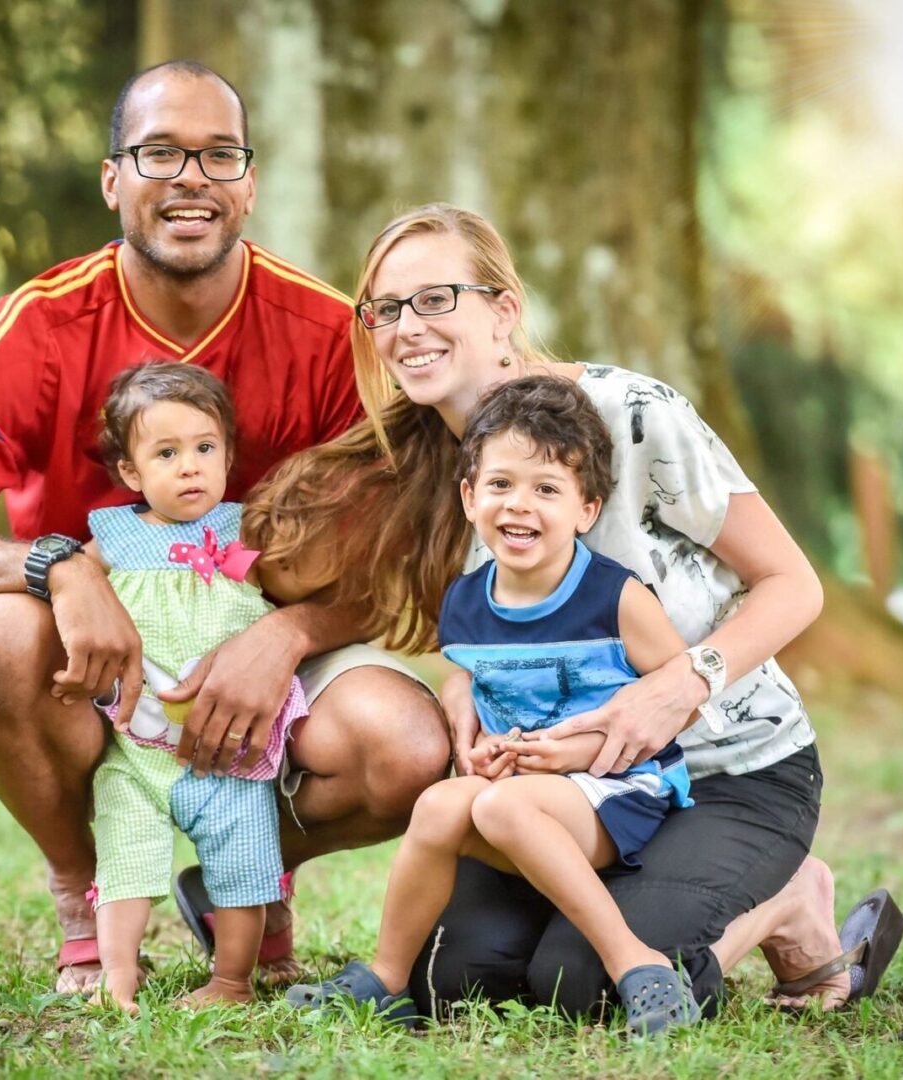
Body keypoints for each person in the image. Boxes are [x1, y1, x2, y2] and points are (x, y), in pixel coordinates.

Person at [0, 61, 449, 993]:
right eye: (159, 153)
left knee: (406, 749)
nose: (190, 180)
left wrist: (285, 633)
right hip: (98, 648)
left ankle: (241, 870)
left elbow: (394, 554)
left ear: (249, 184)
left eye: (219, 156)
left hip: (271, 649)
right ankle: (84, 888)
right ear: (112, 180)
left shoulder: (331, 333)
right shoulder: (44, 324)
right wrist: (62, 569)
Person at [247, 204, 903, 1021]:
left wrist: (677, 686)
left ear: (503, 312)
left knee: (582, 985)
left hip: (723, 773)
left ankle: (787, 901)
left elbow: (793, 585)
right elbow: (475, 629)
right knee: (456, 981)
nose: (405, 327)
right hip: (560, 790)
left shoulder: (630, 416)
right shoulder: (441, 474)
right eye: (384, 308)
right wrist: (463, 698)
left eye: (434, 299)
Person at [287, 376, 704, 1036]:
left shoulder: (614, 599)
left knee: (499, 803)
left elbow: (678, 699)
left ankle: (634, 962)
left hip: (617, 789)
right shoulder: (465, 603)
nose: (520, 505)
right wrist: (477, 737)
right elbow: (474, 683)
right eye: (501, 484)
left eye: (546, 489)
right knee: (440, 802)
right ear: (469, 496)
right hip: (521, 790)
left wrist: (577, 751)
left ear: (586, 509)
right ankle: (386, 979)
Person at [82, 362, 304, 1013]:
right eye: (167, 453)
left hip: (229, 745)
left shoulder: (249, 528)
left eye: (204, 449)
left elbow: (297, 592)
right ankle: (115, 976)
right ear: (130, 472)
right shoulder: (114, 537)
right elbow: (76, 590)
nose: (189, 467)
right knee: (124, 854)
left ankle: (231, 982)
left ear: (228, 455)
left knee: (243, 862)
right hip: (137, 744)